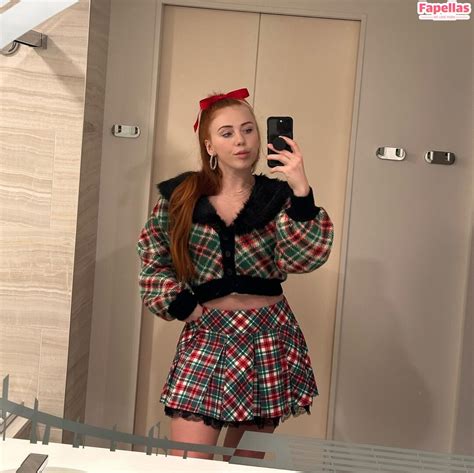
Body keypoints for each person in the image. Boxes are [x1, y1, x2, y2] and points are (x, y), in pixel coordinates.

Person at [137, 87, 334, 461]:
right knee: (188, 464)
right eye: (226, 133)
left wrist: (301, 189)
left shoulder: (280, 197)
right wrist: (181, 304)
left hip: (270, 335)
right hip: (208, 333)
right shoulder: (181, 197)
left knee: (245, 464)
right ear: (209, 145)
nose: (240, 141)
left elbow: (303, 259)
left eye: (248, 130)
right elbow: (152, 258)